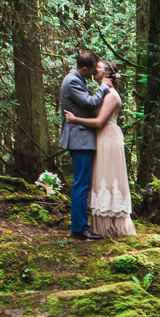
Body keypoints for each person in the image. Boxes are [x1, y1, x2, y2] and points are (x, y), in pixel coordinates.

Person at [62, 60, 135, 238]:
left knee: (109, 180)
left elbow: (99, 121)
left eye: (99, 67)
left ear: (108, 73)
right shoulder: (99, 91)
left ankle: (113, 225)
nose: (96, 69)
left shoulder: (110, 94)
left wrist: (75, 119)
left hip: (108, 138)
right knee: (100, 180)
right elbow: (90, 104)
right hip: (99, 138)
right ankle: (92, 225)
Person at [58, 51, 112, 241]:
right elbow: (89, 103)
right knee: (82, 184)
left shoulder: (75, 79)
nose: (94, 73)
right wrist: (104, 88)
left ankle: (80, 225)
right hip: (79, 139)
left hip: (82, 138)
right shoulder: (72, 80)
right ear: (85, 68)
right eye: (93, 69)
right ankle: (80, 228)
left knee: (83, 183)